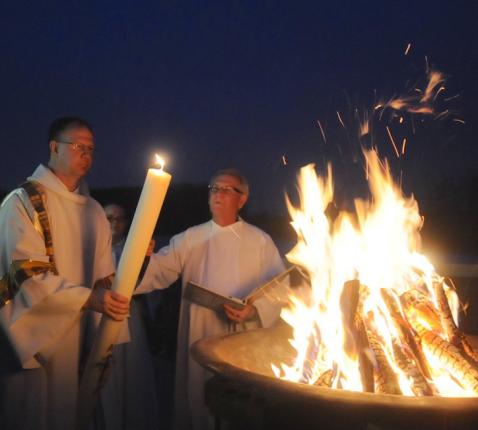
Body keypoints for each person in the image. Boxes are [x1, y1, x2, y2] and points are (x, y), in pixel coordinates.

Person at [0, 117, 129, 430]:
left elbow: (104, 279)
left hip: (80, 339)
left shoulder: (95, 211)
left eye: (90, 148)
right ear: (53, 147)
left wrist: (103, 342)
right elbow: (25, 275)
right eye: (77, 146)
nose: (85, 153)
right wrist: (89, 299)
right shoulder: (21, 202)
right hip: (32, 341)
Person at [135, 168, 285, 430]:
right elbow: (159, 272)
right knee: (198, 399)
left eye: (227, 189)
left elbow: (280, 288)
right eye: (214, 188)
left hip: (242, 336)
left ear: (242, 199)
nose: (218, 194)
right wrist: (143, 259)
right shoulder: (190, 237)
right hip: (199, 330)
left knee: (238, 407)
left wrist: (255, 310)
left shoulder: (260, 241)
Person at [102, 203, 159, 430]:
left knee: (132, 367)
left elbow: (146, 284)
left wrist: (144, 260)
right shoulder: (97, 249)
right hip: (101, 313)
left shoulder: (133, 248)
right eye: (109, 218)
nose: (115, 223)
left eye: (119, 218)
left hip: (130, 314)